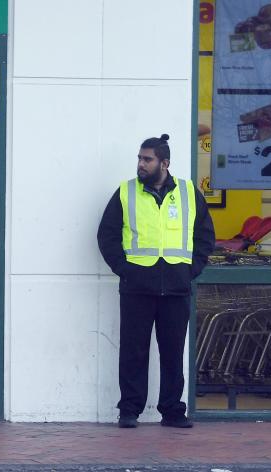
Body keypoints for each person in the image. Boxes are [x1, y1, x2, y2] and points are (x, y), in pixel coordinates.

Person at [96, 134, 215, 429]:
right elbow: (107, 236)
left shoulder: (189, 192)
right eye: (139, 158)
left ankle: (173, 411)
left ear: (164, 163)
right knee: (133, 351)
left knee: (173, 352)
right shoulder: (126, 192)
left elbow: (204, 236)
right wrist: (126, 269)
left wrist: (191, 269)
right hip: (137, 287)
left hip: (176, 286)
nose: (140, 164)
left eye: (147, 159)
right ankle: (129, 410)